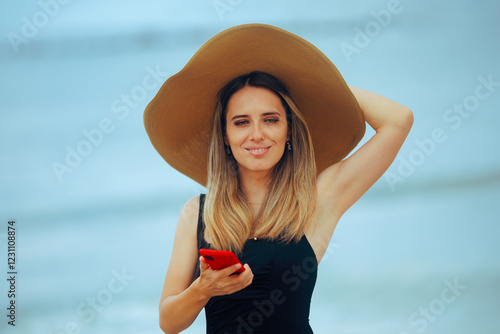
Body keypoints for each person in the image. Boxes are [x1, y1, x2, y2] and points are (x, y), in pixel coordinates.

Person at [144, 24, 413, 334]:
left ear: (289, 130)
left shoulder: (315, 201)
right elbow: (169, 323)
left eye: (270, 119)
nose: (257, 134)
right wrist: (203, 288)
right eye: (241, 122)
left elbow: (398, 120)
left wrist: (308, 86)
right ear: (225, 136)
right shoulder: (198, 214)